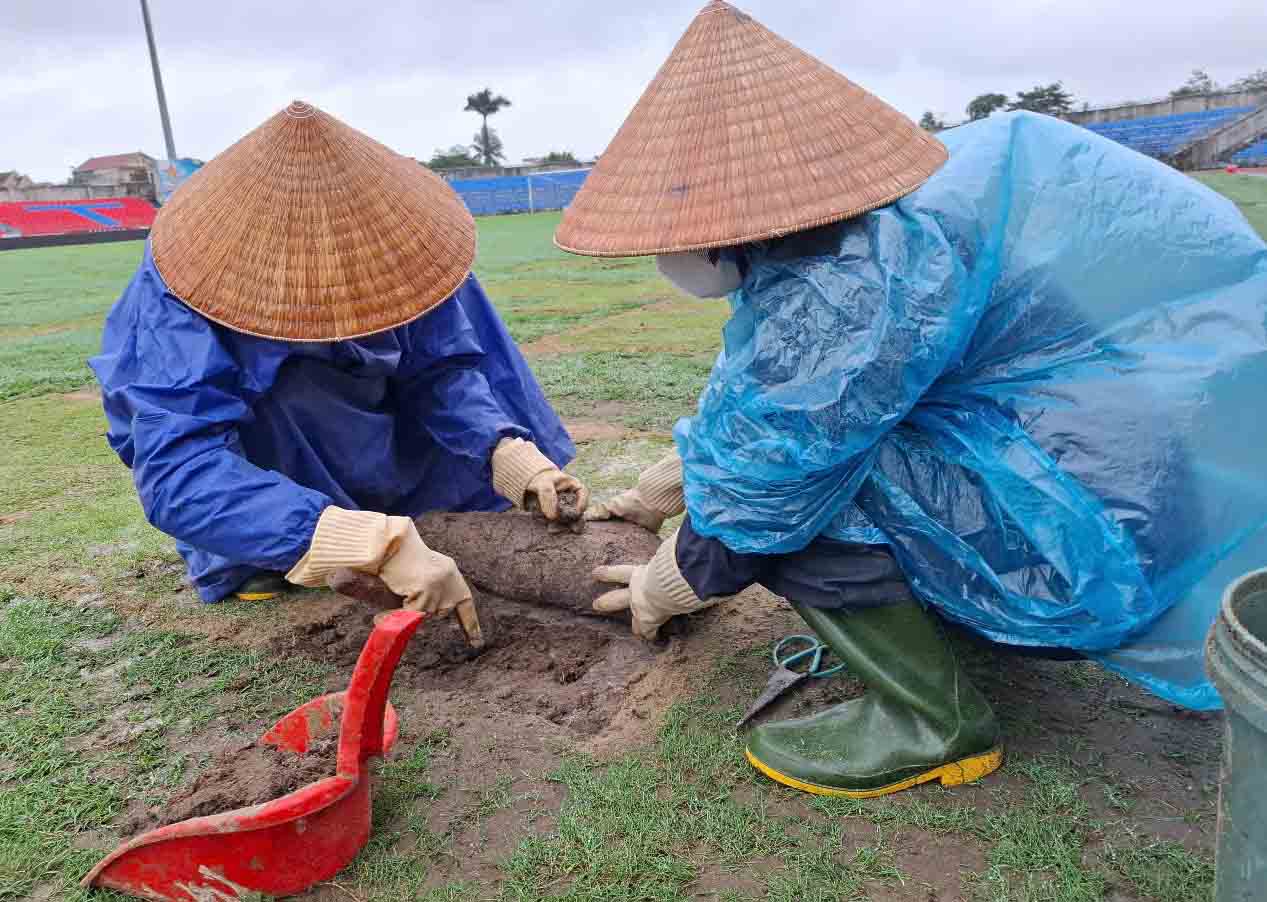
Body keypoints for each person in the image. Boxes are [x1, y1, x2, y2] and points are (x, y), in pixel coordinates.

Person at [559, 1, 1267, 798]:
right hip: (1127, 446)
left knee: (805, 515)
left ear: (735, 223)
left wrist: (675, 576)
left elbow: (777, 473)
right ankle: (932, 622)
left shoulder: (852, 281)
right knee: (805, 475)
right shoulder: (879, 217)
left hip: (1102, 505)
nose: (666, 257)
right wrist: (668, 484)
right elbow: (771, 404)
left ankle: (934, 723)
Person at [91, 101, 589, 644]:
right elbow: (179, 470)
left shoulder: (409, 248)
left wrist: (510, 455)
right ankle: (281, 540)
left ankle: (421, 517)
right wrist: (355, 542)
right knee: (291, 397)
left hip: (379, 422)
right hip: (280, 435)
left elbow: (441, 370)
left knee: (468, 346)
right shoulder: (180, 295)